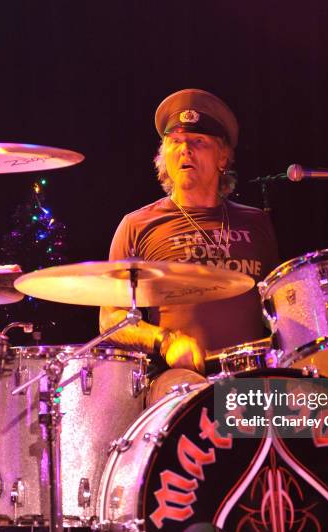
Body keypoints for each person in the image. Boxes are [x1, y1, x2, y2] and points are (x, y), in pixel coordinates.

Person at [99, 89, 279, 373]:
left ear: (223, 157)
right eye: (175, 142)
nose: (185, 150)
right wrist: (166, 342)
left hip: (252, 379)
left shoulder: (256, 222)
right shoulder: (136, 225)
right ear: (164, 157)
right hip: (181, 382)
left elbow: (279, 306)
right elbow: (111, 319)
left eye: (198, 141)